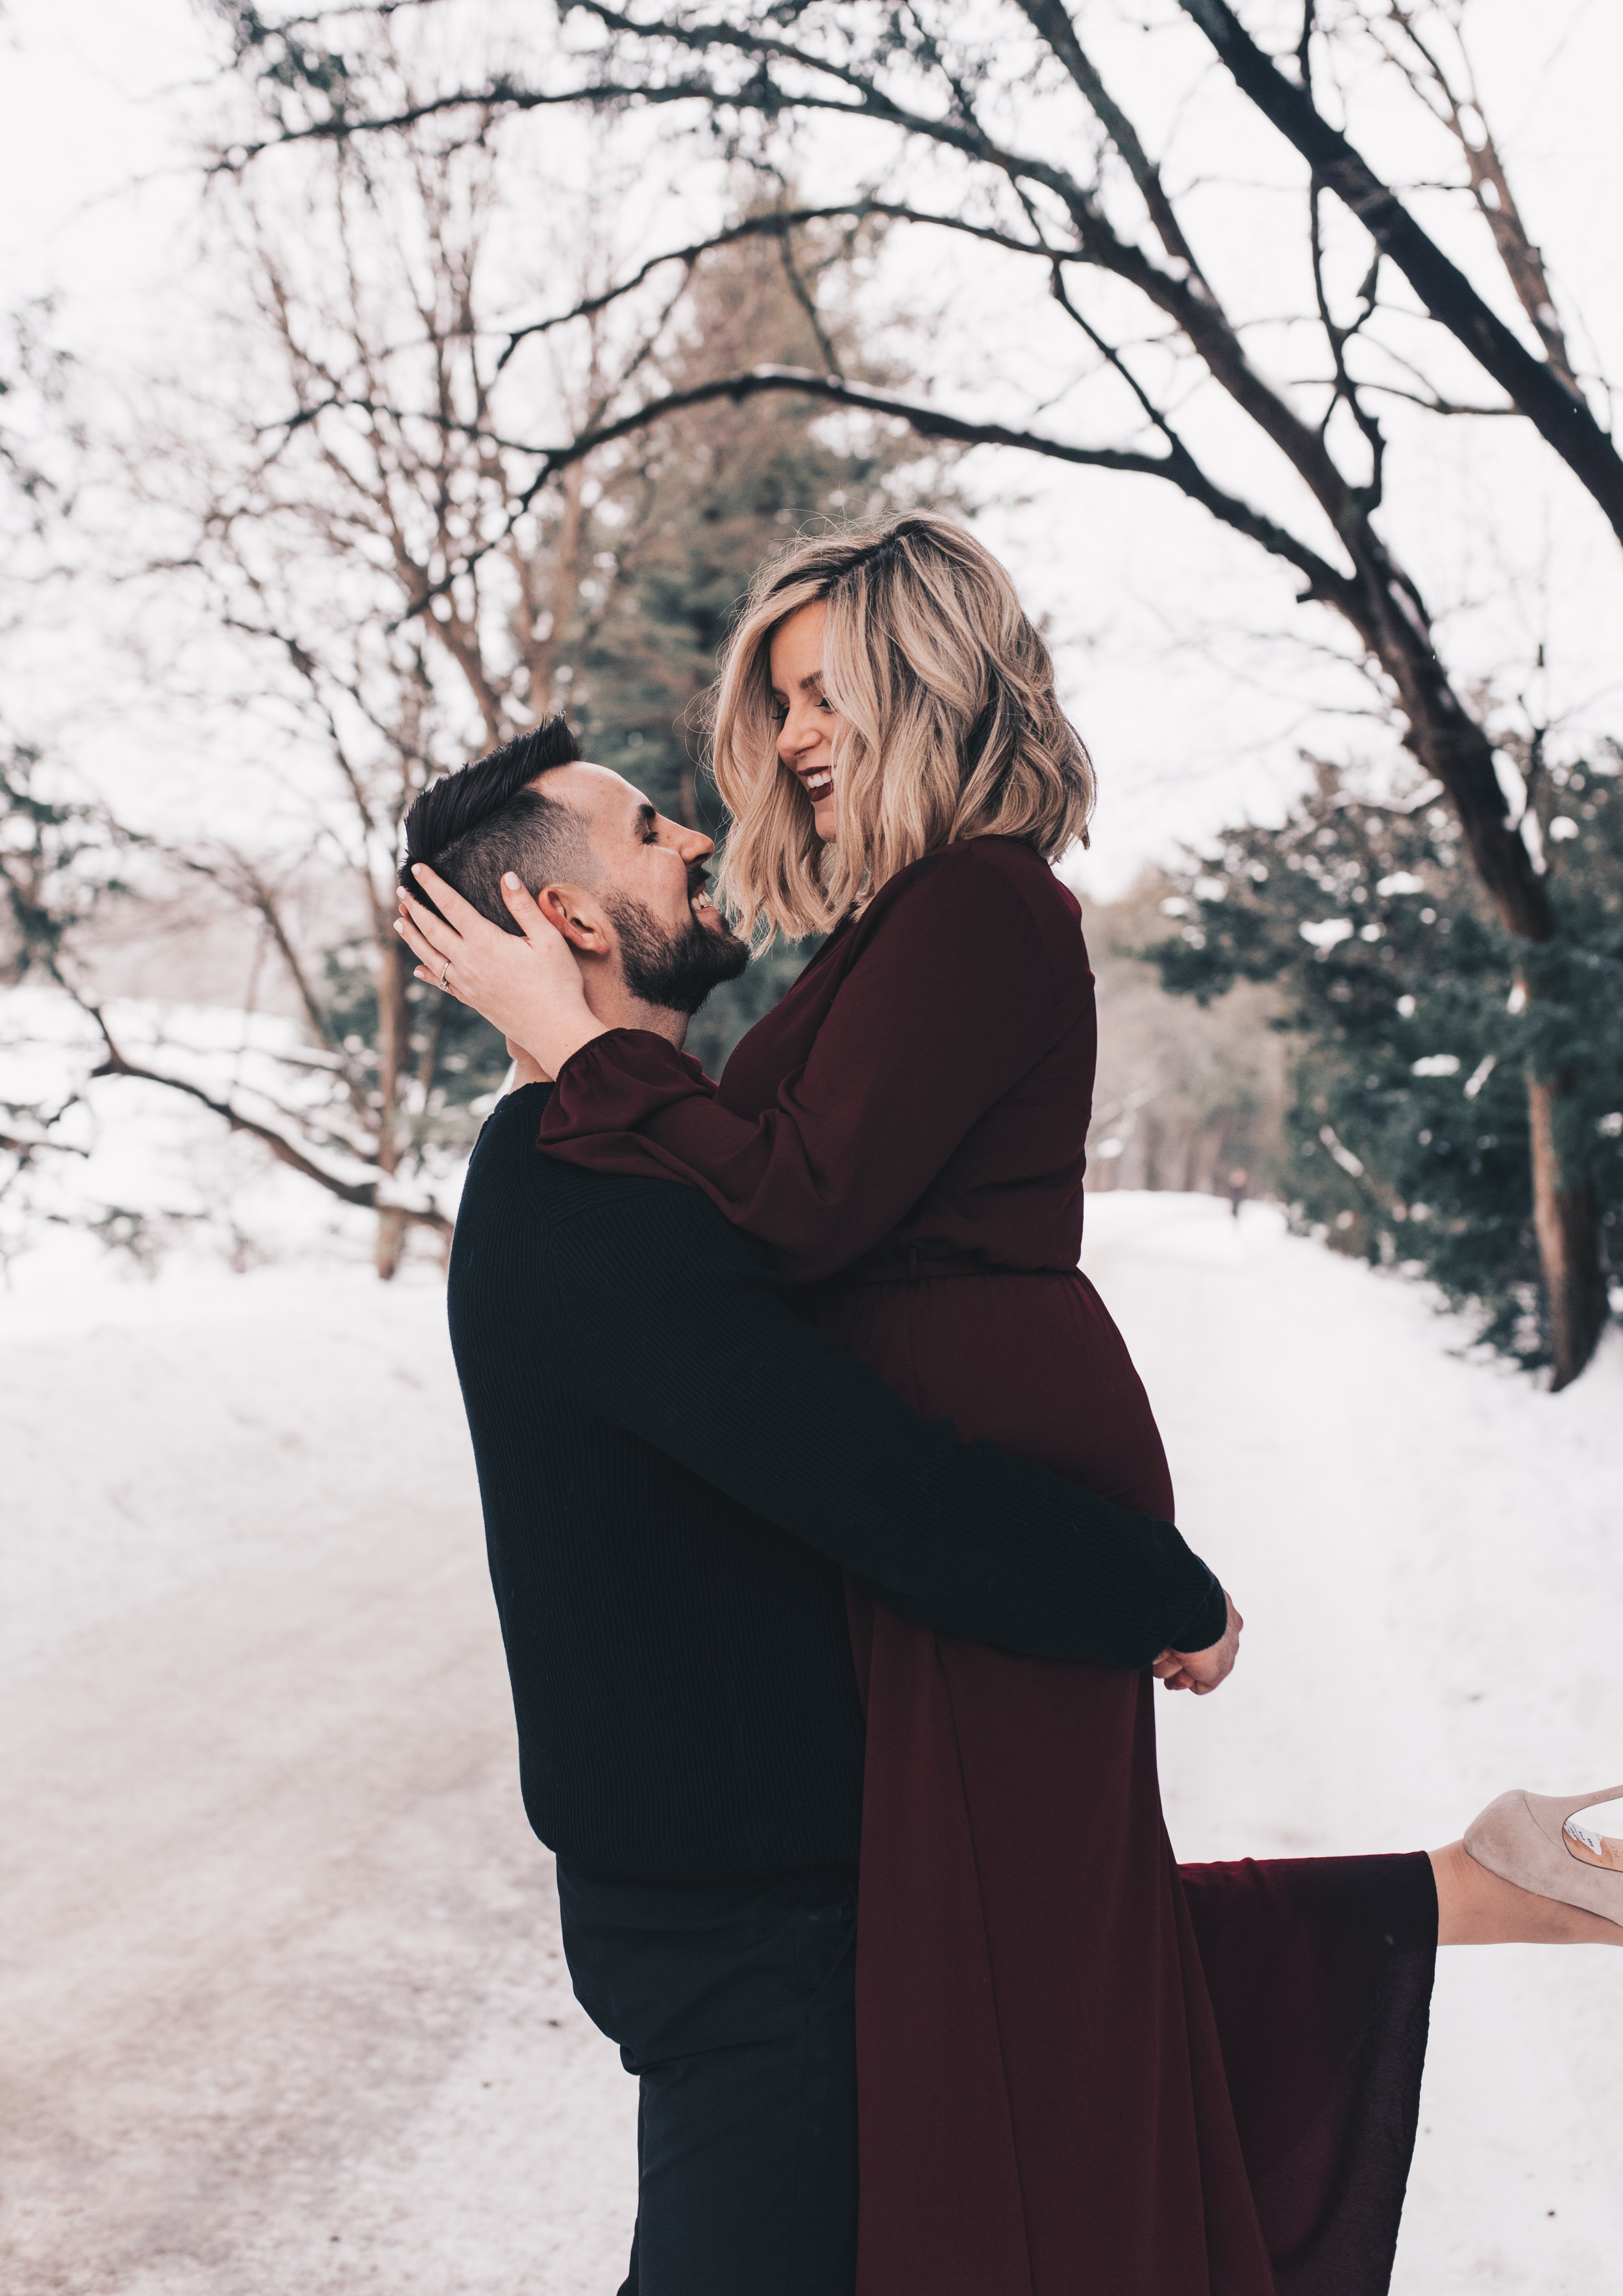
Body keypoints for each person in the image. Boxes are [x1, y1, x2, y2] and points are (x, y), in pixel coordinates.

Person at [399, 521, 1623, 2296]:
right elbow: (835, 1387)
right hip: (747, 1860)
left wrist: (581, 1047)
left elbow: (806, 1246)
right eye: (666, 817)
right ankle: (1477, 1886)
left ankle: (1479, 1889)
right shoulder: (622, 1142)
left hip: (898, 1633)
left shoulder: (962, 907)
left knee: (1023, 1973)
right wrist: (577, 1051)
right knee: (1027, 1969)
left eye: (822, 696)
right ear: (572, 915)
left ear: (925, 683)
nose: (757, 771)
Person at [404, 716, 1242, 2296]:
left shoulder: (582, 1164)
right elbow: (885, 1489)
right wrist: (1155, 1590)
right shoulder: (589, 1205)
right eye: (650, 830)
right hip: (747, 1922)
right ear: (568, 922)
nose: (698, 837)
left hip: (739, 1887)